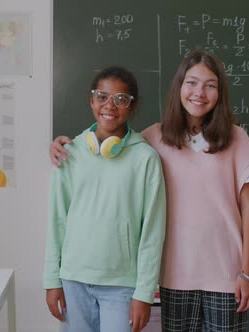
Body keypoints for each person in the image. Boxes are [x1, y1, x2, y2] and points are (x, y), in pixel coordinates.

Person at [50, 50, 249, 332]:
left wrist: (248, 273)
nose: (199, 92)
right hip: (176, 276)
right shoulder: (154, 138)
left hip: (226, 276)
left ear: (220, 93)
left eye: (210, 85)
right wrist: (64, 144)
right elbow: (113, 138)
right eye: (192, 82)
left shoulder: (237, 138)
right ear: (179, 87)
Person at [43, 65, 167, 332]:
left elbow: (152, 232)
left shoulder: (146, 159)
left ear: (132, 107)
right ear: (91, 100)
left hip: (122, 285)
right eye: (102, 96)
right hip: (73, 280)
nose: (110, 106)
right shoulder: (69, 153)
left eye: (120, 99)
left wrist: (144, 292)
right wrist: (52, 279)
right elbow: (57, 221)